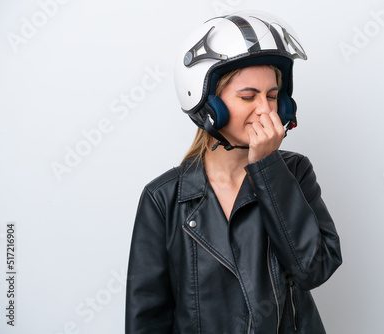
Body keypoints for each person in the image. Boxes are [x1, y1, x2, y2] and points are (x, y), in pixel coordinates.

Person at [125, 10, 342, 334]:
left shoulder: (295, 172)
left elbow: (314, 268)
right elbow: (147, 319)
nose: (266, 110)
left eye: (272, 96)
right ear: (208, 105)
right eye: (247, 96)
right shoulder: (164, 199)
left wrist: (267, 167)